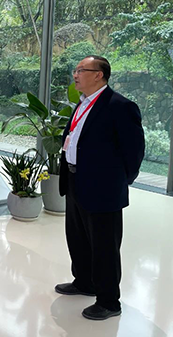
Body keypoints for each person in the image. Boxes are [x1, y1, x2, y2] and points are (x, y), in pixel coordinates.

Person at [55, 55, 144, 320]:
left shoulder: (120, 106)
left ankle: (108, 301)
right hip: (75, 180)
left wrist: (120, 180)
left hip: (103, 187)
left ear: (99, 75)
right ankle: (84, 282)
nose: (75, 74)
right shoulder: (83, 103)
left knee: (104, 245)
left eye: (81, 70)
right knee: (78, 237)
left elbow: (134, 150)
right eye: (76, 70)